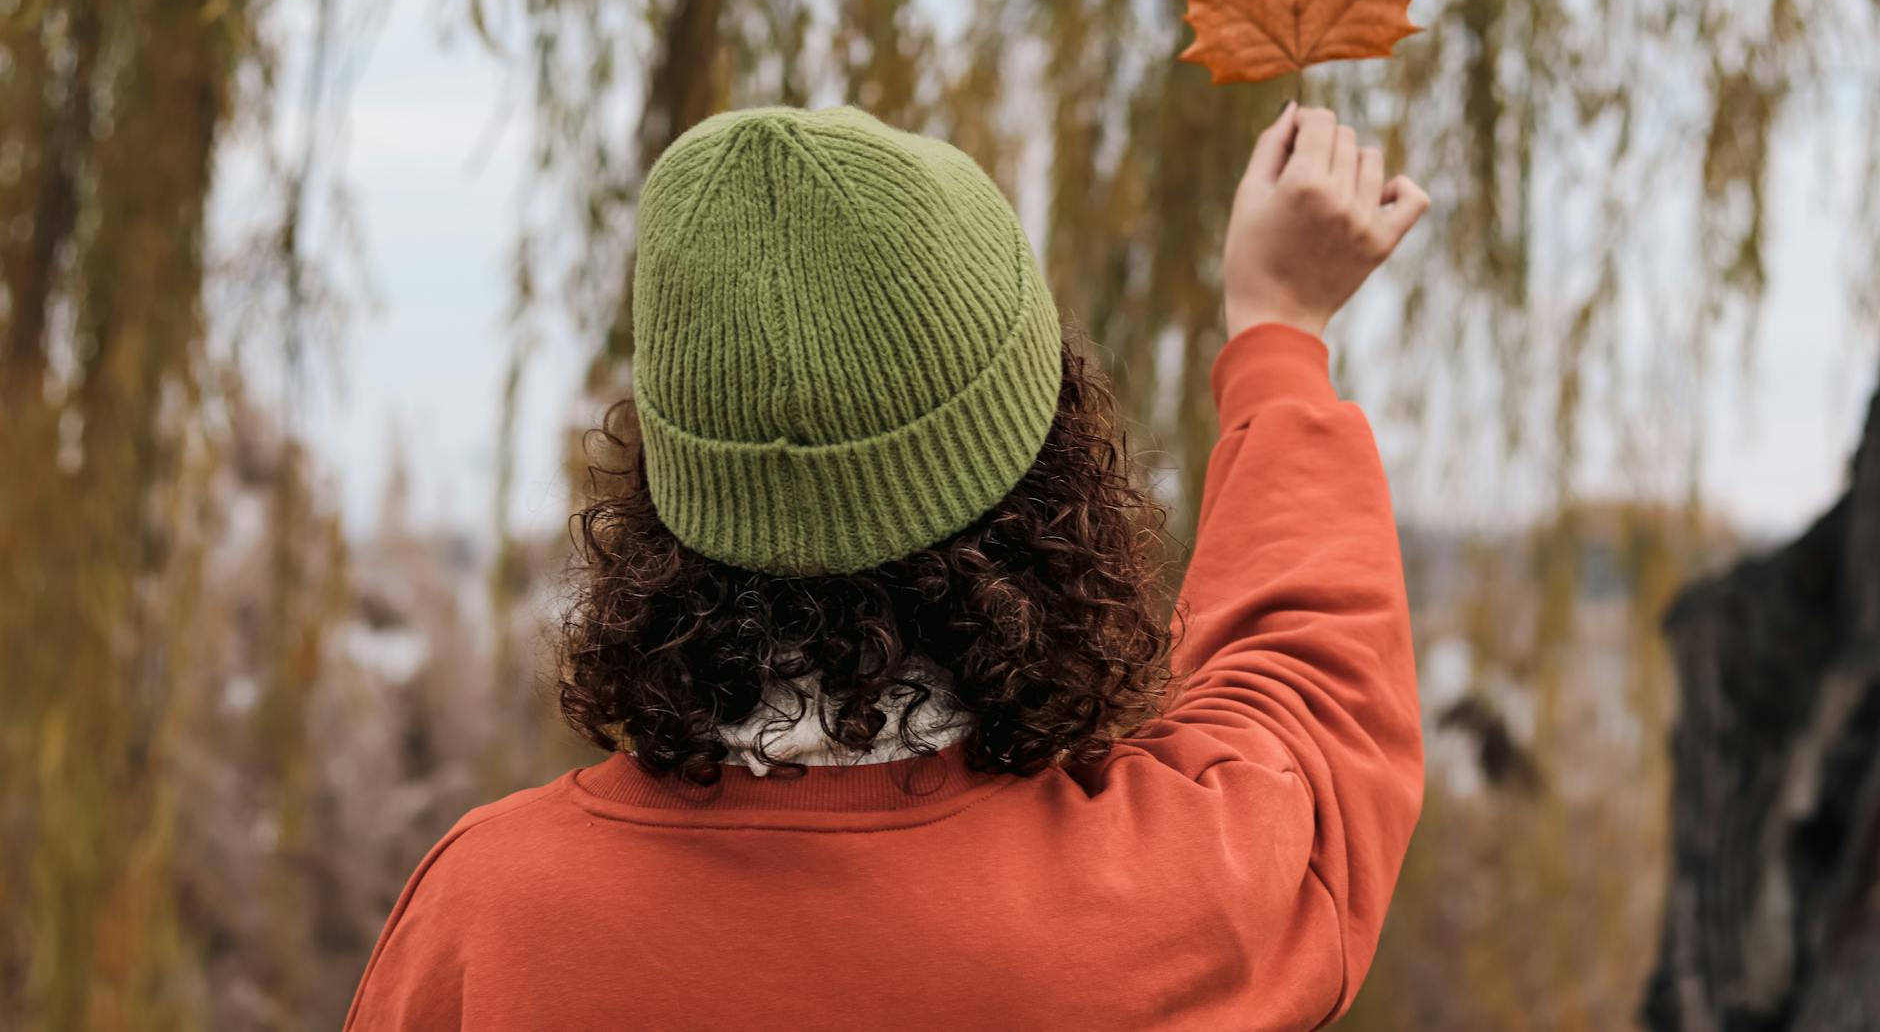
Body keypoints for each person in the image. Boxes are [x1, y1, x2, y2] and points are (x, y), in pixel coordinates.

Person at [344, 101, 1429, 1030]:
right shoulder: (1177, 894)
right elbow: (1309, 686)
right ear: (1051, 489)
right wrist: (1278, 331)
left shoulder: (489, 928)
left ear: (660, 508)